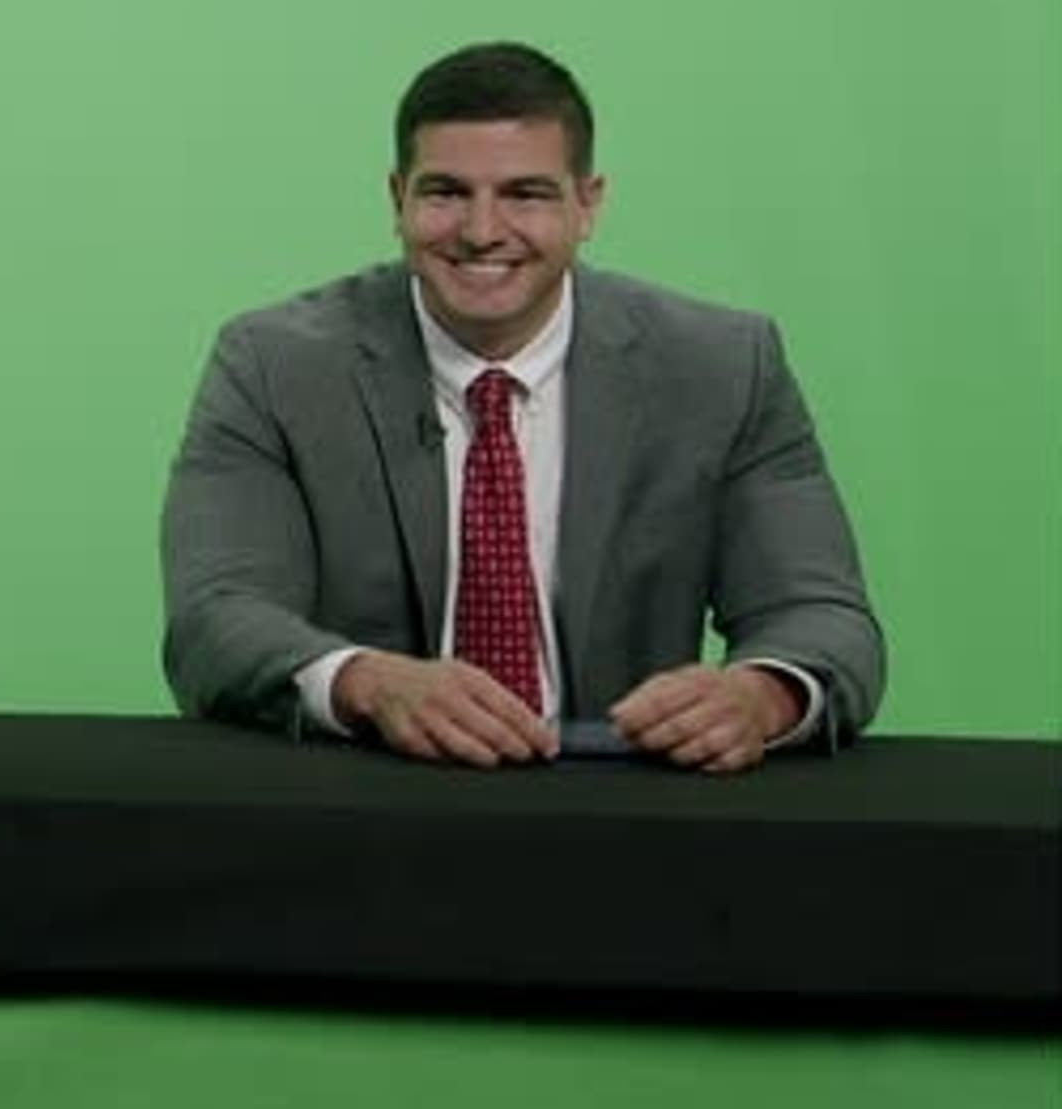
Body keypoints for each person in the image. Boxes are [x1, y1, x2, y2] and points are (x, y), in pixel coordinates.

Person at [160, 41, 882, 772]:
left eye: (525, 194)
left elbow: (823, 617)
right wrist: (365, 681)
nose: (480, 231)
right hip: (368, 812)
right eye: (445, 192)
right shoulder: (274, 367)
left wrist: (760, 697)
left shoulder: (724, 367)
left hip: (629, 814)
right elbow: (214, 620)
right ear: (396, 199)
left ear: (587, 204)